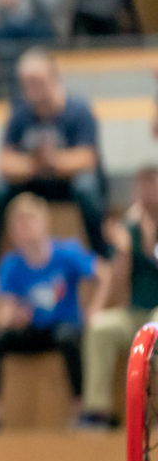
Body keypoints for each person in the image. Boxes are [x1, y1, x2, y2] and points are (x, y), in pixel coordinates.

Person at [0, 48, 108, 274]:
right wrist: (36, 165)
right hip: (35, 182)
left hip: (67, 184)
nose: (32, 88)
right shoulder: (20, 114)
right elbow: (4, 161)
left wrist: (52, 161)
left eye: (36, 80)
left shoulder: (79, 111)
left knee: (87, 187)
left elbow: (87, 159)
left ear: (54, 78)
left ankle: (102, 258)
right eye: (26, 82)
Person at [0, 193, 107, 430]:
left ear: (44, 224)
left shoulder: (66, 252)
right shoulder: (11, 264)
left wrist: (95, 309)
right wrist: (14, 318)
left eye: (30, 221)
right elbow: (4, 313)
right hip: (33, 330)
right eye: (20, 224)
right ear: (12, 232)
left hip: (65, 328)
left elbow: (104, 273)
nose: (26, 229)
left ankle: (80, 410)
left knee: (68, 338)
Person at [81, 167, 158, 427]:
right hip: (135, 309)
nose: (147, 194)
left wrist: (149, 240)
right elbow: (120, 287)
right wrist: (123, 251)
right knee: (100, 329)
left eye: (152, 186)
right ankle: (97, 411)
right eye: (141, 187)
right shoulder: (128, 229)